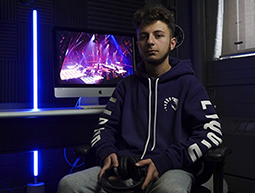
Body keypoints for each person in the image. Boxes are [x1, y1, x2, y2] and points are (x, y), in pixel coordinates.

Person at [58, 4, 223, 193]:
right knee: (69, 184)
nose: (150, 42)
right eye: (144, 36)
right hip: (126, 168)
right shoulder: (125, 87)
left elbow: (212, 131)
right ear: (138, 44)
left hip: (169, 168)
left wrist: (167, 159)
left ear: (172, 43)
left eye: (158, 35)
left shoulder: (188, 84)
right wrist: (107, 153)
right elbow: (105, 128)